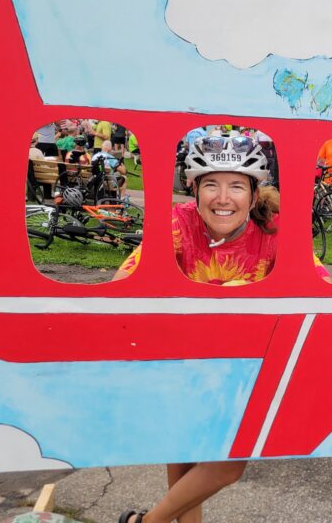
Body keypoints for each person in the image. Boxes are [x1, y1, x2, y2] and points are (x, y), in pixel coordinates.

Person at [116, 129, 276, 523]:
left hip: (240, 372)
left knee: (226, 467)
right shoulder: (178, 223)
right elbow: (123, 282)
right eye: (211, 185)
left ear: (254, 194)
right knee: (185, 468)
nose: (223, 198)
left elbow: (319, 286)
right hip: (181, 365)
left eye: (236, 186)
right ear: (194, 189)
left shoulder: (274, 232)